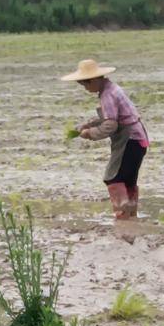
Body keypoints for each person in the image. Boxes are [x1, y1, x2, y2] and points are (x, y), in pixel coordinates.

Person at [65, 58, 149, 219]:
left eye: (86, 83)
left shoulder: (107, 95)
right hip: (139, 139)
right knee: (128, 181)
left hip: (129, 140)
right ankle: (131, 217)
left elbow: (111, 126)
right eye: (82, 84)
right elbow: (114, 117)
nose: (85, 87)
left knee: (113, 178)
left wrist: (89, 133)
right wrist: (88, 124)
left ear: (95, 79)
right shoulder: (112, 89)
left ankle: (122, 214)